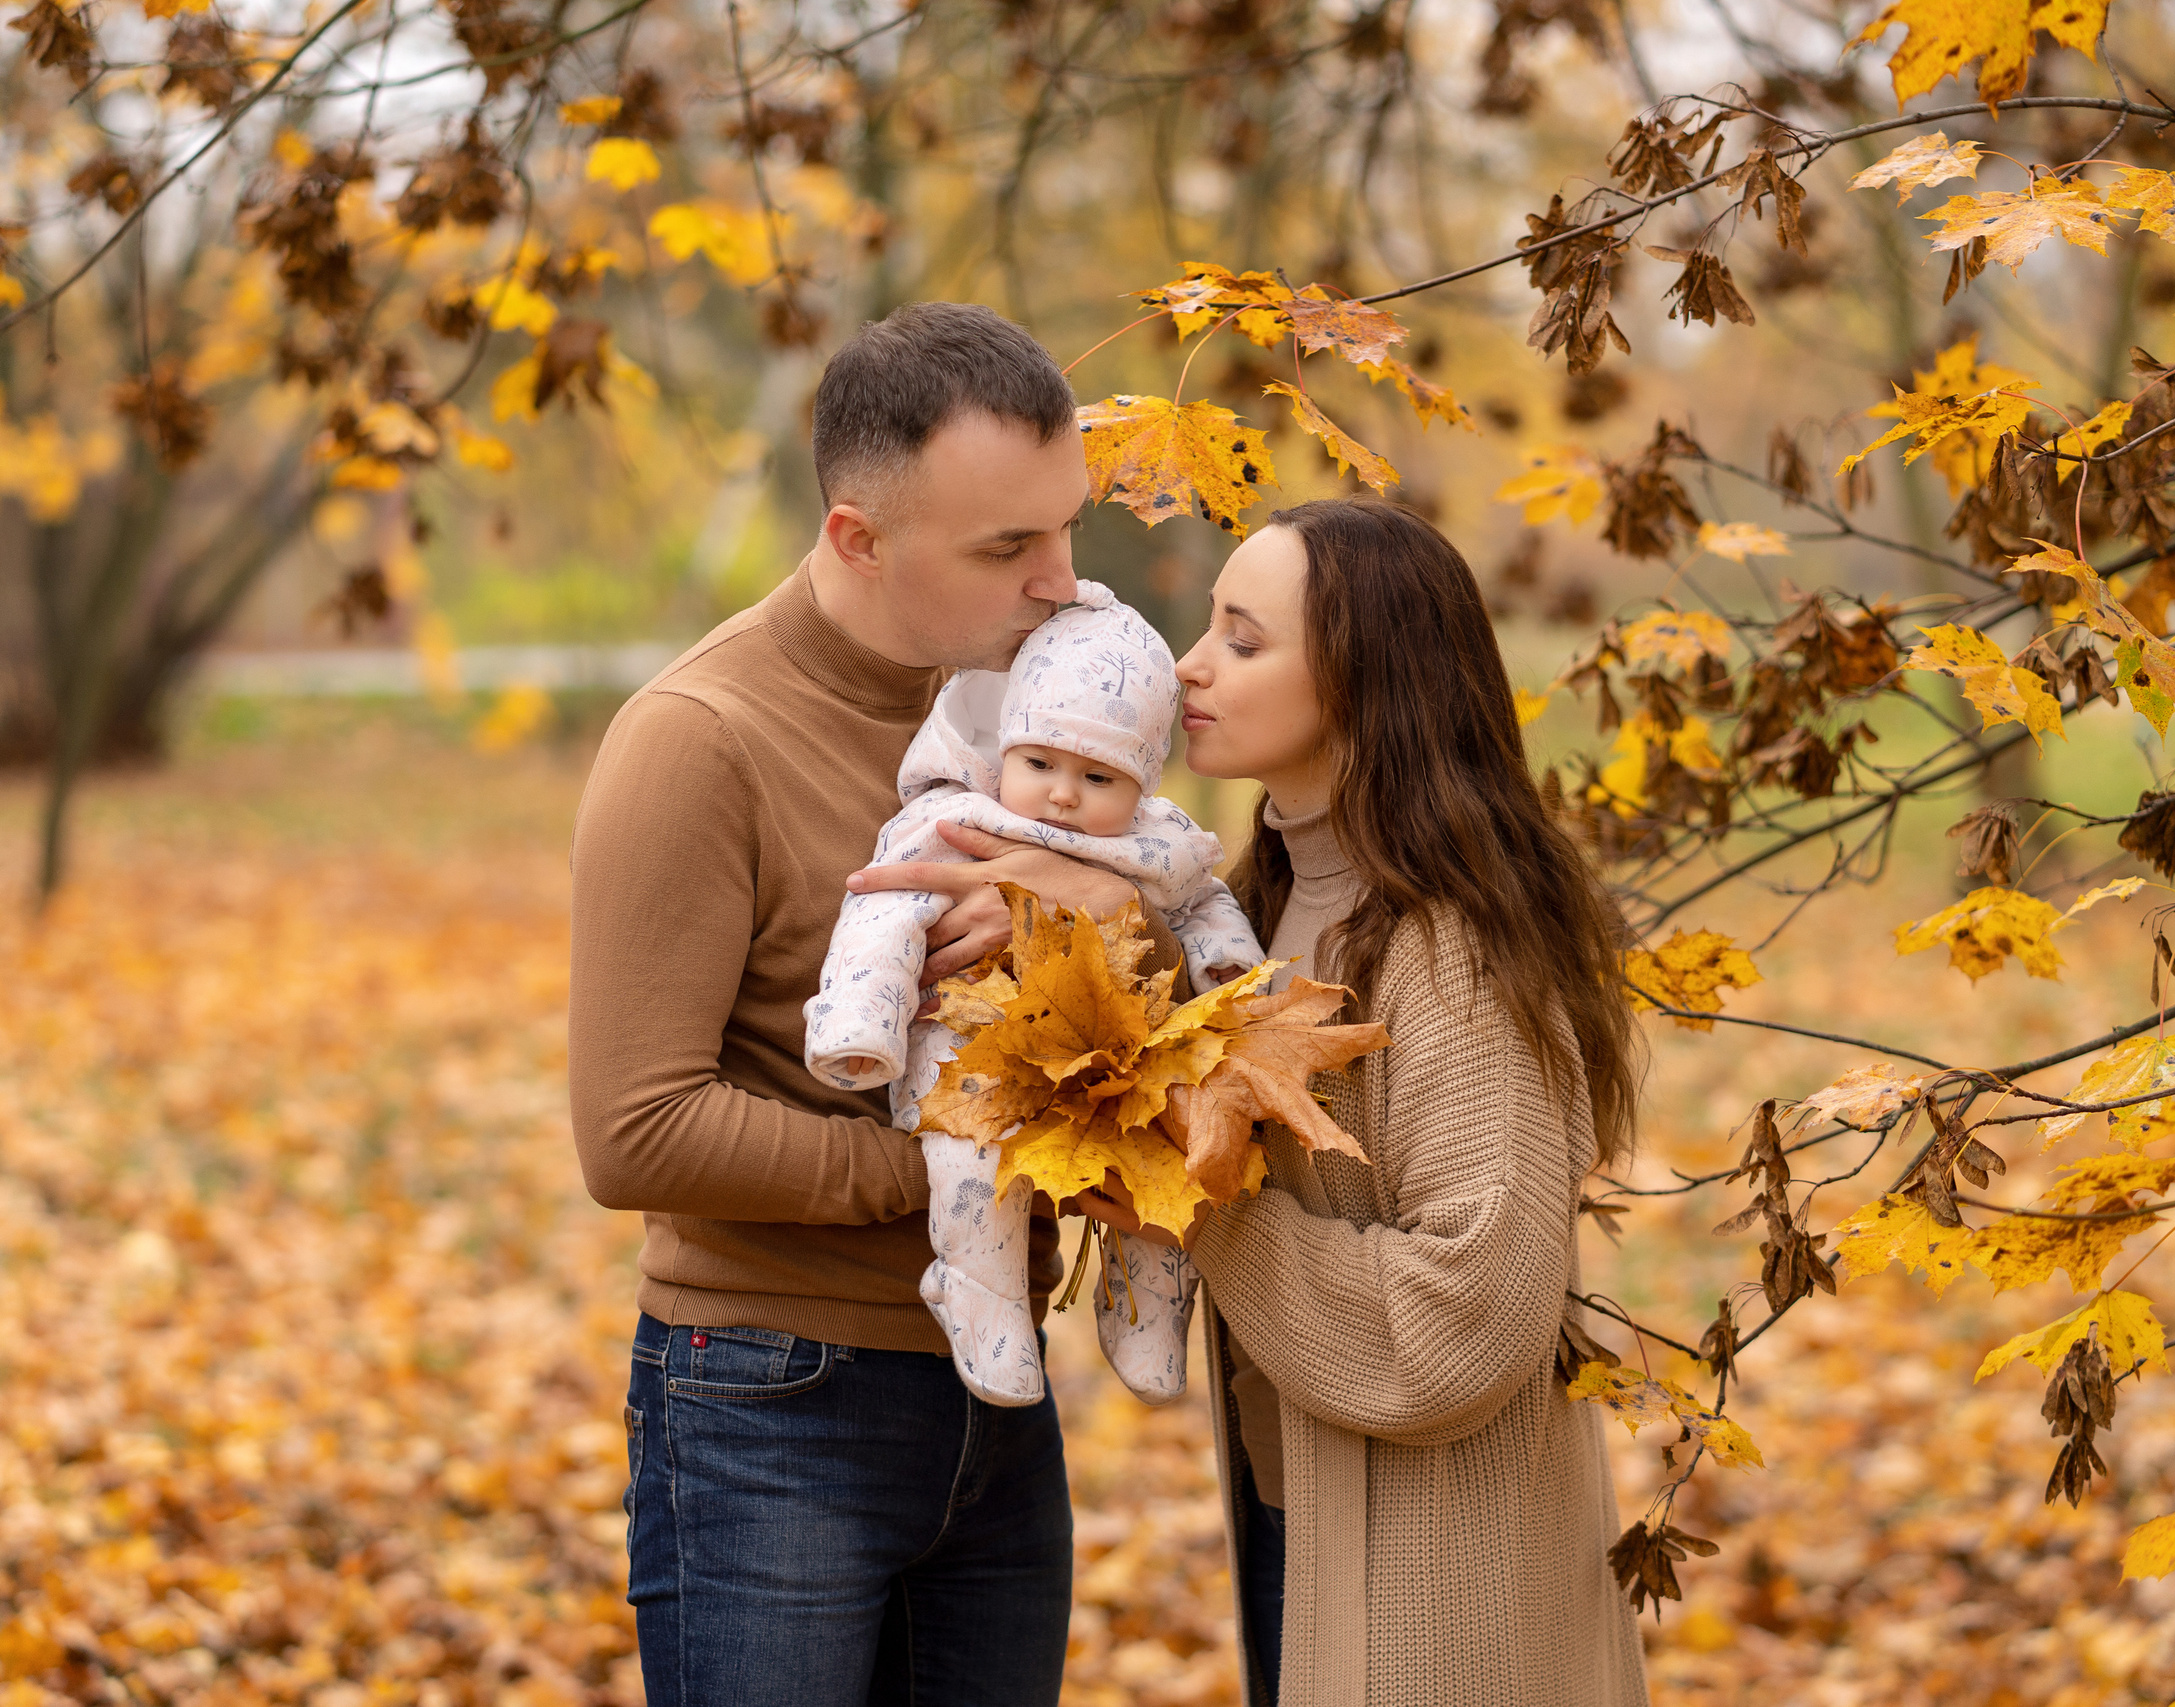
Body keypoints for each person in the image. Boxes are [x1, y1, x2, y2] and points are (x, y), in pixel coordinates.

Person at [568, 302, 1180, 1707]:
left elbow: (1177, 979)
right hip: (773, 1400)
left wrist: (1110, 915)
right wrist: (966, 1174)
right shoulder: (698, 740)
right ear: (858, 538)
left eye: (1066, 529)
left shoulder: (1051, 715)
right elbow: (634, 1132)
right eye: (1005, 548)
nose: (1060, 581)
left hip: (997, 1400)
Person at [1076, 497, 1653, 1707]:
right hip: (1307, 1514)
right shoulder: (1257, 907)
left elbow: (1463, 1316)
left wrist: (1197, 1207)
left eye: (1243, 640)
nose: (1191, 663)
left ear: (1364, 681)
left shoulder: (1453, 954)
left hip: (1448, 1569)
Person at [805, 580, 1263, 1409]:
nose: (1061, 793)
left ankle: (1149, 1308)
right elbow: (884, 908)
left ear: (1143, 781)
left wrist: (1226, 964)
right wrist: (859, 1016)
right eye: (1041, 763)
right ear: (1004, 747)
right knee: (974, 1161)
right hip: (973, 1051)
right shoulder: (958, 820)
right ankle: (982, 1297)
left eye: (1099, 775)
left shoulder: (1155, 842)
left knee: (1163, 1162)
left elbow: (1204, 903)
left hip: (1115, 1052)